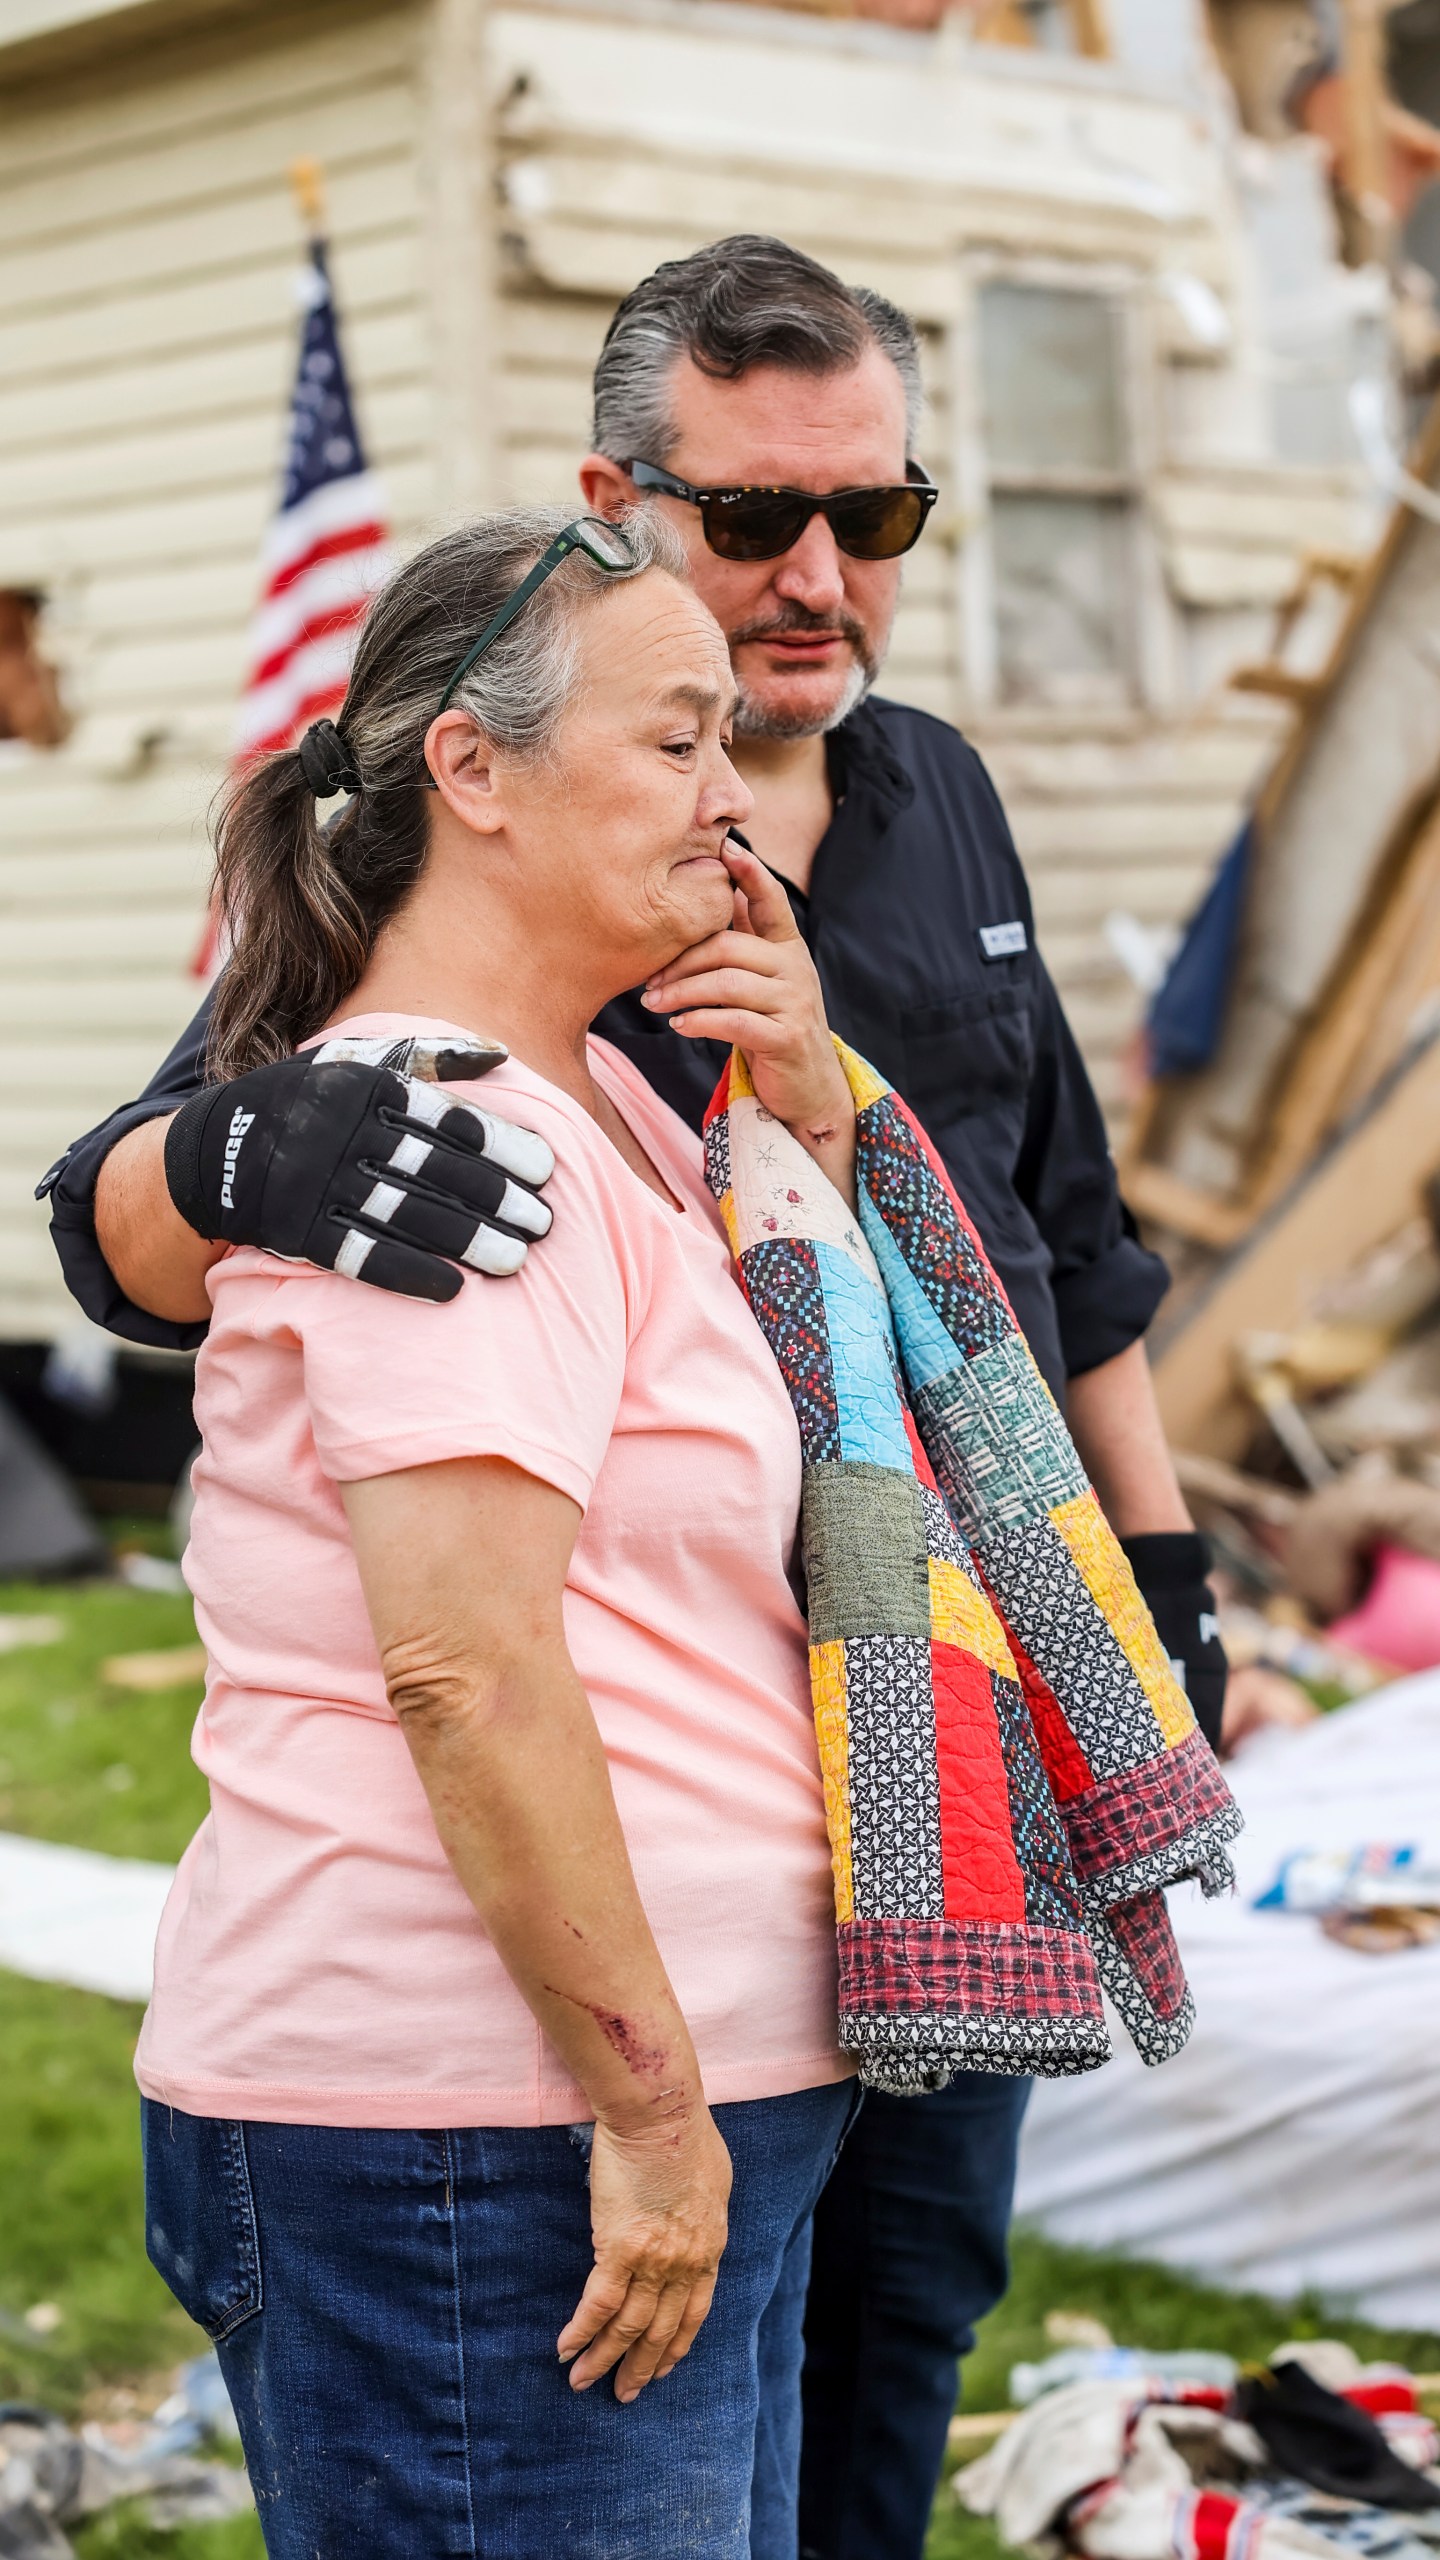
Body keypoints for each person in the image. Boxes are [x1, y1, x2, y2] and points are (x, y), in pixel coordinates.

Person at [43, 236, 1226, 2560]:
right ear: (620, 500)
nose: (819, 575)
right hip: (567, 1983)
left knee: (903, 2324)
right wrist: (236, 1148)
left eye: (873, 519)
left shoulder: (934, 805)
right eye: (758, 518)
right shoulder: (463, 1058)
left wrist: (1155, 1570)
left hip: (913, 1776)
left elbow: (1061, 1235)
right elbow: (138, 1214)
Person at [139, 502, 867, 2557]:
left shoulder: (626, 1101)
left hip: (653, 2110)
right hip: (484, 2133)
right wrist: (646, 2109)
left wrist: (803, 1100)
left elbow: (846, 1427)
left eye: (734, 742)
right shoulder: (433, 1136)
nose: (734, 806)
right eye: (675, 741)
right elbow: (467, 1663)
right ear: (472, 767)